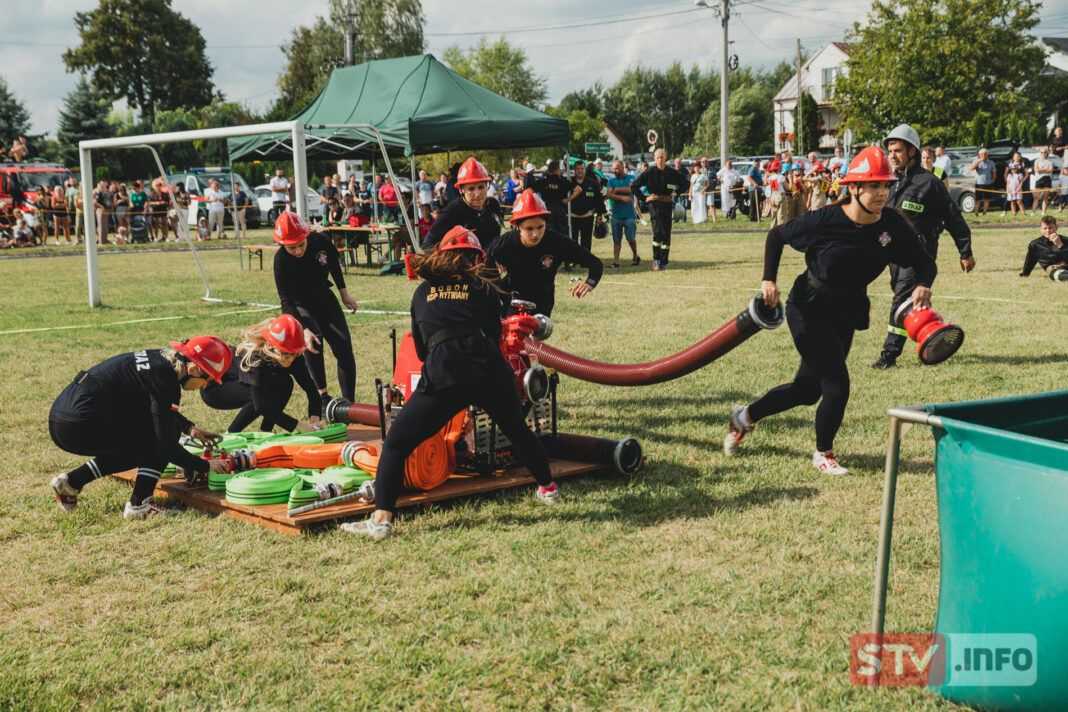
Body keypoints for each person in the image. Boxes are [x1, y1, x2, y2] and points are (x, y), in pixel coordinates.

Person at [724, 146, 938, 475]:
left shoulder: (891, 226)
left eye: (886, 185)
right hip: (808, 307)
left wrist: (923, 283)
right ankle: (823, 454)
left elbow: (924, 262)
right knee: (837, 383)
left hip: (847, 311)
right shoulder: (825, 219)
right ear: (853, 188)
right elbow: (776, 236)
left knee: (808, 390)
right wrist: (769, 280)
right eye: (874, 186)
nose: (883, 192)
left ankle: (744, 417)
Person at [341, 226, 561, 540]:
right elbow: (495, 335)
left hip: (445, 372)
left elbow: (419, 349)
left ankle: (381, 521)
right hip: (488, 367)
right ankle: (549, 490)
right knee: (518, 431)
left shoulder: (422, 292)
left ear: (441, 256)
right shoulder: (483, 287)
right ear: (475, 260)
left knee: (397, 443)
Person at [48, 336, 233, 519]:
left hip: (62, 418)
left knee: (149, 438)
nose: (204, 386)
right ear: (193, 368)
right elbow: (166, 446)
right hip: (80, 424)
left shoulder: (159, 361)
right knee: (158, 439)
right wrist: (204, 465)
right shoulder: (166, 381)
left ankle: (70, 483)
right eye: (207, 379)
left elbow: (155, 408)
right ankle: (140, 504)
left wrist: (189, 428)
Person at [873, 124, 974, 370]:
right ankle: (932, 329)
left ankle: (889, 356)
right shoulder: (890, 182)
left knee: (901, 301)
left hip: (920, 253)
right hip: (893, 254)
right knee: (906, 300)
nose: (892, 155)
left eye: (897, 150)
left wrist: (966, 252)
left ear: (912, 152)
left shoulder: (930, 183)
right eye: (890, 151)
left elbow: (954, 219)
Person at [272, 211, 359, 410]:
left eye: (301, 245)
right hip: (300, 305)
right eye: (291, 247)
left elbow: (334, 265)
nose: (297, 250)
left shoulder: (320, 241)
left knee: (344, 347)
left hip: (324, 298)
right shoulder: (281, 261)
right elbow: (286, 302)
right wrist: (303, 329)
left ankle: (349, 403)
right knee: (313, 342)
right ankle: (323, 397)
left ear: (306, 236)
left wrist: (344, 294)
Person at [487, 189, 603, 318]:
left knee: (536, 336)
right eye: (529, 229)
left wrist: (589, 283)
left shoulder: (557, 242)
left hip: (542, 301)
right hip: (512, 299)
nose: (535, 234)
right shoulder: (504, 243)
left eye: (540, 227)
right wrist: (494, 275)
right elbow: (483, 262)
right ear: (517, 226)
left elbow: (595, 263)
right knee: (512, 335)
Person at [201, 314, 323, 432]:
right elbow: (261, 405)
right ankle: (231, 433)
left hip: (243, 385)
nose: (290, 359)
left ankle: (265, 430)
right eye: (285, 353)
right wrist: (298, 426)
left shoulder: (295, 357)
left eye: (294, 353)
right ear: (271, 346)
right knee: (262, 394)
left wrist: (314, 420)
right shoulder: (256, 359)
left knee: (286, 383)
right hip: (214, 387)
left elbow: (311, 390)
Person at [422, 157, 503, 252]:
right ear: (461, 190)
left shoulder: (493, 205)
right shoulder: (452, 212)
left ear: (487, 185)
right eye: (471, 189)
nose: (477, 194)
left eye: (481, 187)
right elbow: (427, 246)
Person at [631, 148, 689, 271]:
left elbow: (686, 183)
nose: (660, 159)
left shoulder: (672, 172)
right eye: (657, 157)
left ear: (666, 158)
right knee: (659, 232)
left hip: (667, 205)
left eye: (662, 157)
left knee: (666, 235)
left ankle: (663, 263)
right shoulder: (649, 172)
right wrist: (643, 198)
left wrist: (676, 192)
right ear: (654, 159)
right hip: (654, 204)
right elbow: (634, 186)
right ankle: (655, 261)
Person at [605, 160, 641, 267]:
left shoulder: (630, 178)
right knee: (616, 240)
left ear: (622, 168)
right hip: (616, 215)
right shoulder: (611, 181)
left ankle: (635, 255)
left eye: (616, 168)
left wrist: (617, 190)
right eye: (613, 169)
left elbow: (631, 189)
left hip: (629, 215)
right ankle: (616, 262)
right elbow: (609, 194)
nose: (614, 170)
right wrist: (621, 196)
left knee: (631, 239)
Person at [567, 160, 606, 253]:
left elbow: (599, 201)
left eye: (582, 169)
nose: (580, 171)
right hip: (573, 217)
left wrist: (600, 215)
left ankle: (585, 261)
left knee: (586, 241)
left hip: (587, 217)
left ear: (585, 169)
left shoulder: (592, 183)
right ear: (574, 170)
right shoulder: (569, 182)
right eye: (578, 169)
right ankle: (573, 261)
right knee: (572, 241)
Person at [525, 159, 572, 235]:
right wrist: (568, 199)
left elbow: (528, 191)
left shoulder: (543, 181)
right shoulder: (563, 181)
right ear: (557, 170)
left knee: (548, 234)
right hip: (561, 210)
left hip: (547, 210)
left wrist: (539, 201)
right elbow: (578, 190)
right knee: (562, 234)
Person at [1019, 215, 1068, 281]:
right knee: (1058, 274)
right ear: (1041, 229)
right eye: (1045, 228)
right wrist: (1025, 274)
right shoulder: (1036, 244)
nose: (1048, 231)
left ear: (1056, 227)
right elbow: (1030, 261)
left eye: (1050, 228)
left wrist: (1060, 245)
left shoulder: (1065, 240)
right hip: (1054, 270)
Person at [969, 148, 995, 217]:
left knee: (987, 199)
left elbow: (994, 171)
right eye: (982, 154)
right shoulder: (976, 161)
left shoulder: (991, 162)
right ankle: (976, 213)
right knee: (978, 199)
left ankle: (984, 213)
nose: (984, 155)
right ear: (979, 155)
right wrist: (979, 161)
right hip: (979, 183)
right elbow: (972, 168)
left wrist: (993, 179)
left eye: (985, 154)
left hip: (988, 183)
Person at [1031, 147, 1054, 216]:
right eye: (1042, 152)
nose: (1043, 153)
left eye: (1045, 152)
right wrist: (1045, 169)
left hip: (1047, 179)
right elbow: (1036, 170)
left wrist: (1041, 169)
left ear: (1047, 153)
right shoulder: (1037, 161)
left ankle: (1043, 211)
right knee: (1036, 197)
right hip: (1039, 179)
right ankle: (1033, 211)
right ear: (1040, 153)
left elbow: (1050, 170)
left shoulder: (1050, 162)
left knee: (1045, 196)